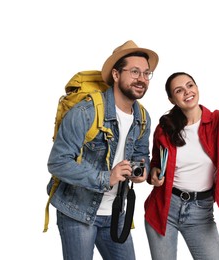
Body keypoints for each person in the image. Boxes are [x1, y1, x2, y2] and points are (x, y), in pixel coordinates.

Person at [47, 40, 159, 260]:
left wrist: (142, 169)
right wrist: (107, 177)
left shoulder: (143, 117)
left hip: (116, 213)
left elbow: (140, 154)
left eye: (147, 73)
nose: (142, 79)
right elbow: (58, 162)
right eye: (135, 71)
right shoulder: (85, 112)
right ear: (116, 75)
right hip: (77, 212)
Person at [144, 72, 219, 260]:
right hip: (165, 208)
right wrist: (154, 173)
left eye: (190, 86)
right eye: (179, 90)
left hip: (201, 212)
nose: (187, 92)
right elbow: (156, 164)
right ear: (171, 99)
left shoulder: (215, 122)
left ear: (197, 88)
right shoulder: (165, 127)